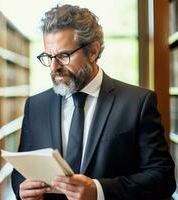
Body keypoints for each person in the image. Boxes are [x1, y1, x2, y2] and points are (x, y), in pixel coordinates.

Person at [11, 4, 176, 200]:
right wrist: (22, 189)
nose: (54, 67)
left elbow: (162, 179)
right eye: (48, 56)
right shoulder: (36, 106)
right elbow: (20, 173)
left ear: (93, 52)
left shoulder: (137, 103)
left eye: (63, 56)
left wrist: (99, 191)